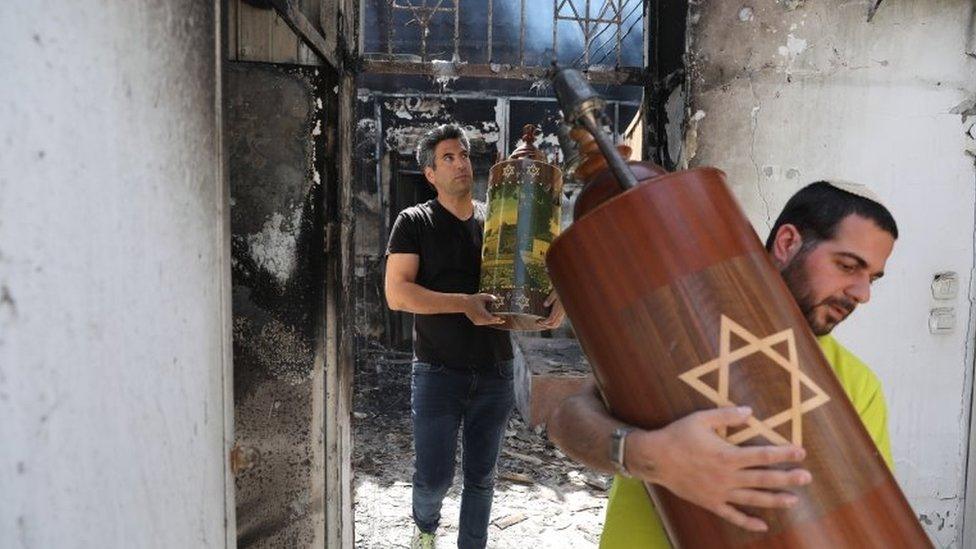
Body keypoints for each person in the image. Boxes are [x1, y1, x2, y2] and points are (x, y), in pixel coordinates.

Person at [547, 180, 897, 548]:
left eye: (872, 277)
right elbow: (567, 420)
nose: (863, 293)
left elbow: (865, 524)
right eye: (847, 266)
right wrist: (647, 455)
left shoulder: (859, 384)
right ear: (788, 243)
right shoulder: (688, 321)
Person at [385, 123, 565, 549]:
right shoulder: (415, 222)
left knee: (482, 478)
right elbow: (397, 294)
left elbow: (536, 268)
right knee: (434, 477)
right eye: (448, 157)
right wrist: (463, 303)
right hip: (437, 371)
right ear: (430, 173)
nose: (461, 163)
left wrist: (557, 299)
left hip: (495, 371)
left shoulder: (497, 219)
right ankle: (425, 529)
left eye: (464, 154)